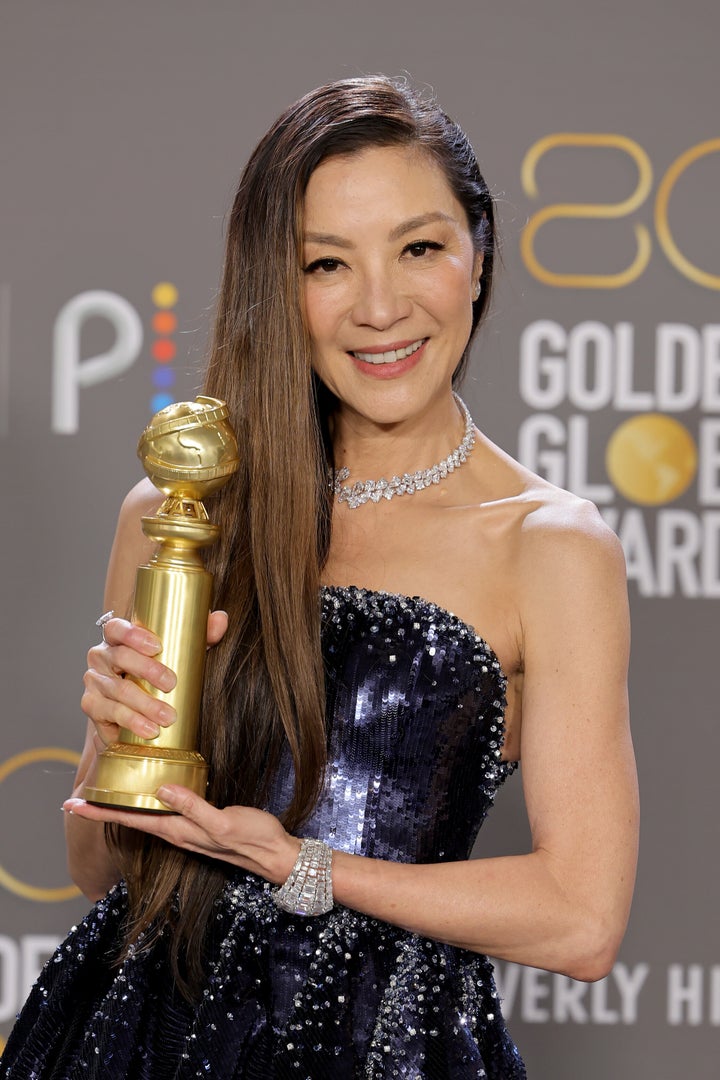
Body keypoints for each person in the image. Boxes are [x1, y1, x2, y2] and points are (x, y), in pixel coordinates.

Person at [0, 76, 638, 1079]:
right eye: (326, 263)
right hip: (137, 1036)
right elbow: (96, 870)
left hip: (383, 1048)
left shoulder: (548, 544)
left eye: (419, 247)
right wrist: (118, 751)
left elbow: (580, 920)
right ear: (277, 286)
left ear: (478, 254)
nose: (381, 307)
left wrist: (300, 865)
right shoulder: (180, 513)